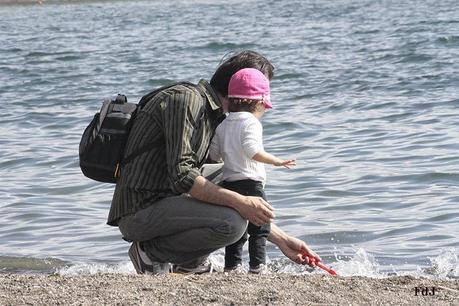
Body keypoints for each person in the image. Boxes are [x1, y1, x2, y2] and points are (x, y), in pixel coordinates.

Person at [107, 50, 321, 274]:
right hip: (139, 211)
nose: (262, 103)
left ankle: (189, 263)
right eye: (261, 92)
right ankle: (149, 253)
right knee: (232, 224)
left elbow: (228, 187)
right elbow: (183, 176)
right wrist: (240, 202)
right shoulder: (186, 100)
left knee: (234, 173)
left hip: (165, 202)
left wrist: (282, 239)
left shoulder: (214, 116)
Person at [209, 68, 296, 274]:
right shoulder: (251, 123)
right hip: (251, 184)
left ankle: (232, 266)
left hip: (229, 184)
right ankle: (257, 265)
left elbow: (214, 154)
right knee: (260, 227)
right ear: (258, 102)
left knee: (239, 230)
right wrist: (277, 161)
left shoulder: (223, 124)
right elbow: (252, 150)